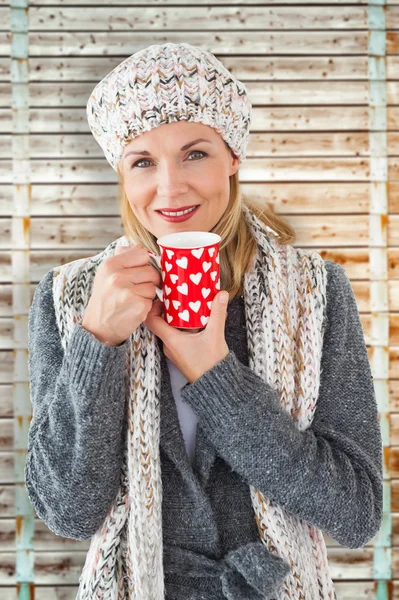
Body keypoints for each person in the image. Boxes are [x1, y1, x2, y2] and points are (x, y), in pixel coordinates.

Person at [25, 42, 383, 600]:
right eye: (143, 161)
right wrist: (97, 343)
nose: (170, 188)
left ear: (233, 156)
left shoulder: (316, 293)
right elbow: (69, 511)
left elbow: (356, 514)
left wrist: (215, 375)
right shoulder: (69, 299)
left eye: (195, 154)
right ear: (121, 173)